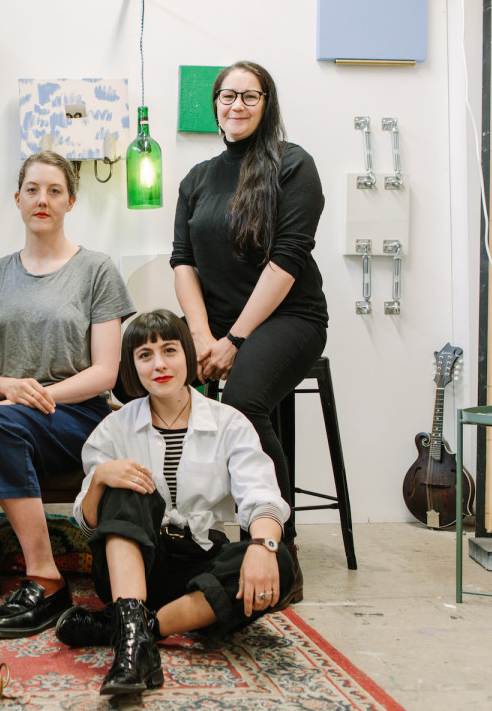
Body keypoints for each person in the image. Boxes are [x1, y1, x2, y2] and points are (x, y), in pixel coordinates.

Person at [0, 151, 135, 639]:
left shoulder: (97, 270)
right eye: (33, 189)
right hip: (4, 412)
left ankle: (46, 577)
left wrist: (36, 398)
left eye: (54, 191)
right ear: (17, 199)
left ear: (71, 201)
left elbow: (106, 372)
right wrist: (12, 390)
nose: (43, 199)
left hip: (76, 414)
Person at [58, 309, 294, 697]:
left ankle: (134, 630)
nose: (160, 364)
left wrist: (264, 545)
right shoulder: (113, 428)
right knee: (125, 484)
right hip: (135, 567)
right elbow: (87, 524)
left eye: (169, 350)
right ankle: (133, 629)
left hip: (201, 567)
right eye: (145, 355)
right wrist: (100, 480)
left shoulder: (230, 423)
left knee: (280, 560)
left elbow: (261, 494)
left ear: (187, 355)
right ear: (132, 368)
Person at [171, 61, 327, 606]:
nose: (236, 105)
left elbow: (286, 262)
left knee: (240, 400)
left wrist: (234, 341)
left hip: (289, 318)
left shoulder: (292, 164)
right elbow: (182, 262)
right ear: (214, 103)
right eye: (227, 96)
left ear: (267, 103)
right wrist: (200, 337)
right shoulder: (196, 178)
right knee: (159, 382)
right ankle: (189, 533)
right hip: (214, 328)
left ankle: (276, 551)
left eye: (250, 96)